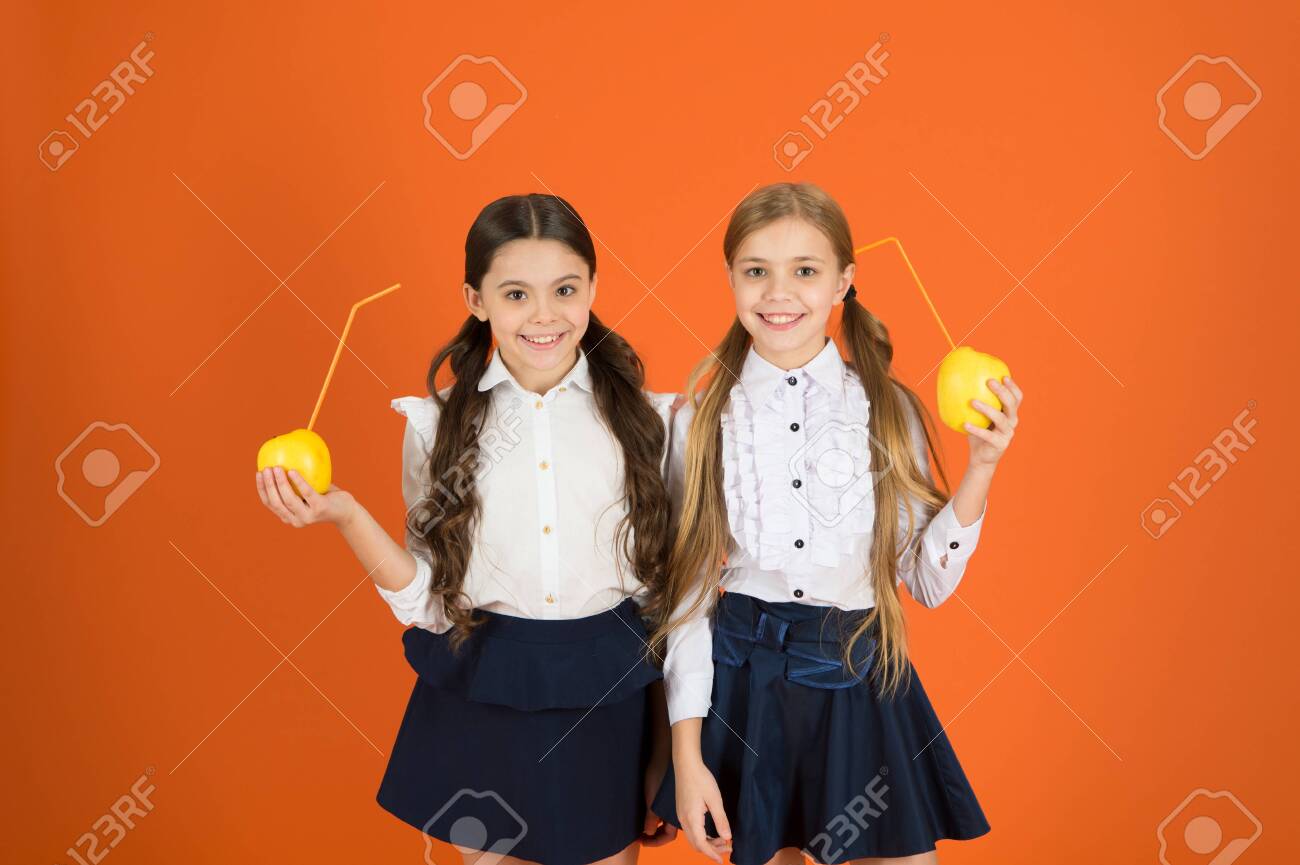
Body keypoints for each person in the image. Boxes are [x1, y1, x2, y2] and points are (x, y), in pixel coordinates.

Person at [256, 193, 679, 865]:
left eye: (564, 289)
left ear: (593, 288)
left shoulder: (653, 423)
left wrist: (668, 752)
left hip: (608, 697)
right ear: (476, 299)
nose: (543, 315)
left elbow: (670, 603)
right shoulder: (435, 425)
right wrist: (345, 513)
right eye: (515, 293)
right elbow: (429, 600)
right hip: (484, 692)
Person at [646, 181, 1024, 865]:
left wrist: (983, 467)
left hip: (858, 678)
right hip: (747, 690)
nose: (778, 292)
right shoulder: (696, 422)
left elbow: (928, 584)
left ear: (844, 282)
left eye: (806, 271)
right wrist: (688, 754)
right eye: (756, 271)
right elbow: (688, 606)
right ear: (731, 277)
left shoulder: (887, 411)